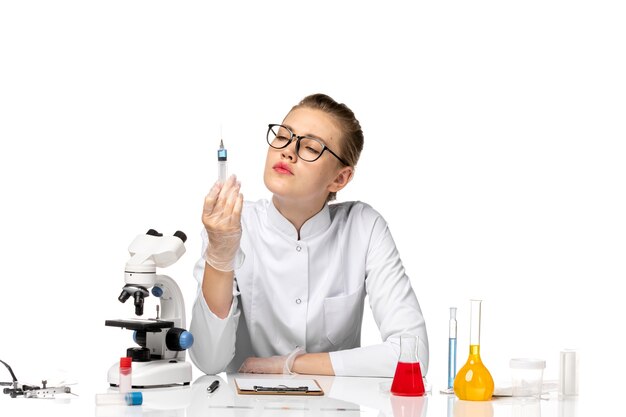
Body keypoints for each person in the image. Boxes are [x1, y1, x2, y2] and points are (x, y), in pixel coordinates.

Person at [189, 93, 428, 377]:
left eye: (311, 147)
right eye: (283, 136)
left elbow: (412, 355)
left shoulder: (364, 228)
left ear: (339, 178)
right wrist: (220, 256)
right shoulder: (231, 226)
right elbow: (208, 361)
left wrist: (289, 365)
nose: (288, 151)